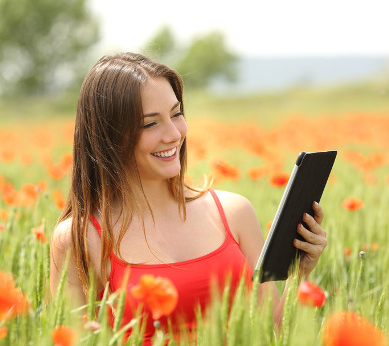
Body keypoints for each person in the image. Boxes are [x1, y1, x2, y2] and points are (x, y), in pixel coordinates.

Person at [49, 52, 327, 344]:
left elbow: (274, 334)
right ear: (109, 137)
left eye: (176, 114)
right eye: (150, 124)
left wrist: (299, 273)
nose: (173, 134)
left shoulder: (234, 213)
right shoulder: (80, 238)